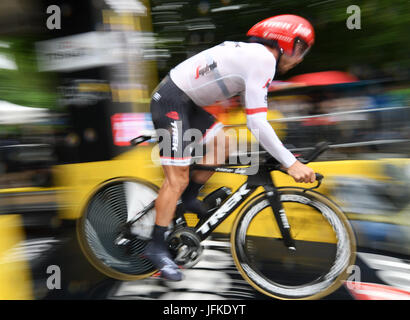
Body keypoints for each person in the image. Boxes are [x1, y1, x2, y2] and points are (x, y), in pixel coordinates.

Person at [144, 14, 317, 281]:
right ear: (283, 41)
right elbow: (257, 122)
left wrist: (284, 154)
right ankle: (155, 246)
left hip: (187, 102)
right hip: (171, 101)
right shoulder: (263, 60)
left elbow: (256, 118)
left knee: (225, 142)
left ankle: (189, 198)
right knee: (175, 178)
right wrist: (290, 163)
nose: (301, 57)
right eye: (300, 48)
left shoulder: (256, 57)